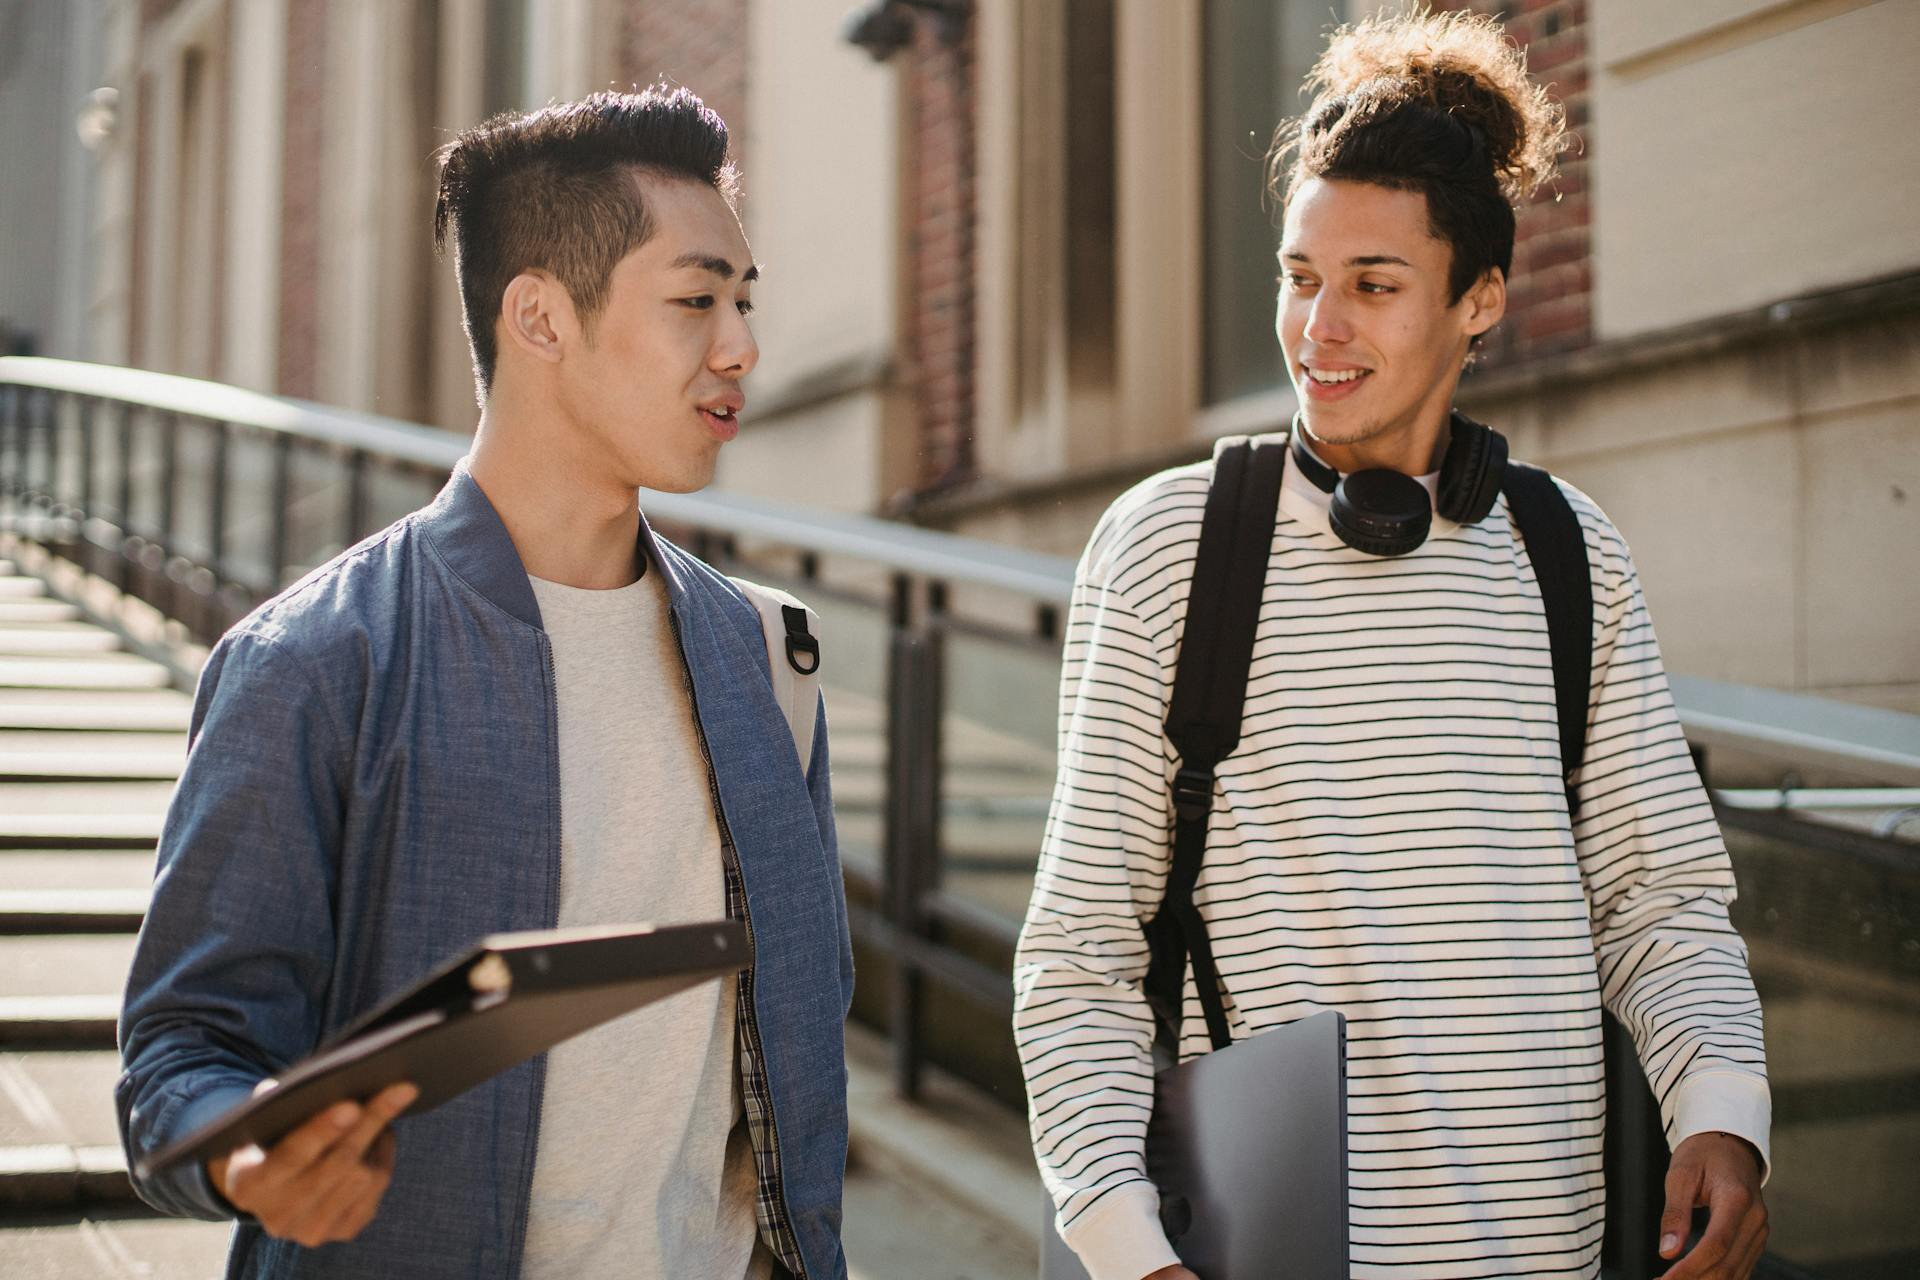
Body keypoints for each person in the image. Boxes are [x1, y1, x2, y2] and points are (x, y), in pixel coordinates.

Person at [1014, 13, 1770, 1280]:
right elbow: (1079, 953)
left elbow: (1660, 898)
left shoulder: (1568, 554)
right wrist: (1124, 1247)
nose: (1319, 330)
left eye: (1372, 284)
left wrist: (1723, 1113)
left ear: (1480, 300)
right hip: (1262, 1254)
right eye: (1299, 277)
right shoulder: (1168, 549)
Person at [116, 86, 854, 1280]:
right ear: (540, 317)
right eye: (697, 298)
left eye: (745, 300)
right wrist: (251, 1156)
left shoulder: (770, 658)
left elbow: (794, 1066)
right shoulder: (315, 660)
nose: (742, 346)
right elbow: (182, 1049)